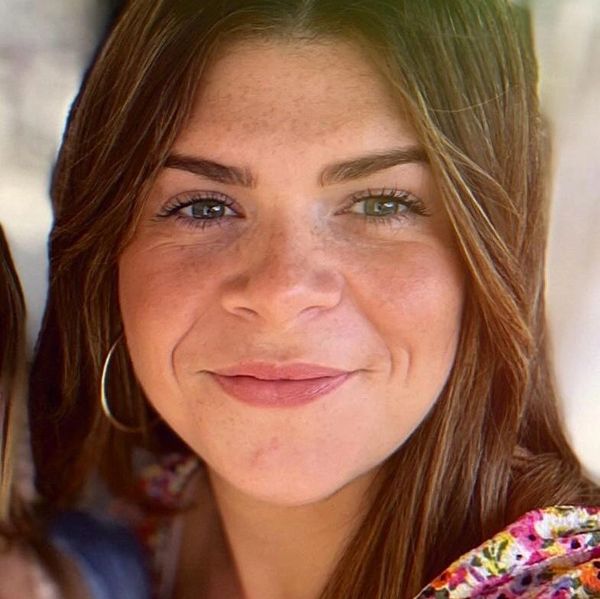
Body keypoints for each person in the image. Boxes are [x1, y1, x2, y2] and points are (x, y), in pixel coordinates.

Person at [29, 1, 600, 598]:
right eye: (204, 207)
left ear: (491, 248)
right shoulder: (95, 539)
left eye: (380, 204)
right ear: (107, 255)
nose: (281, 292)